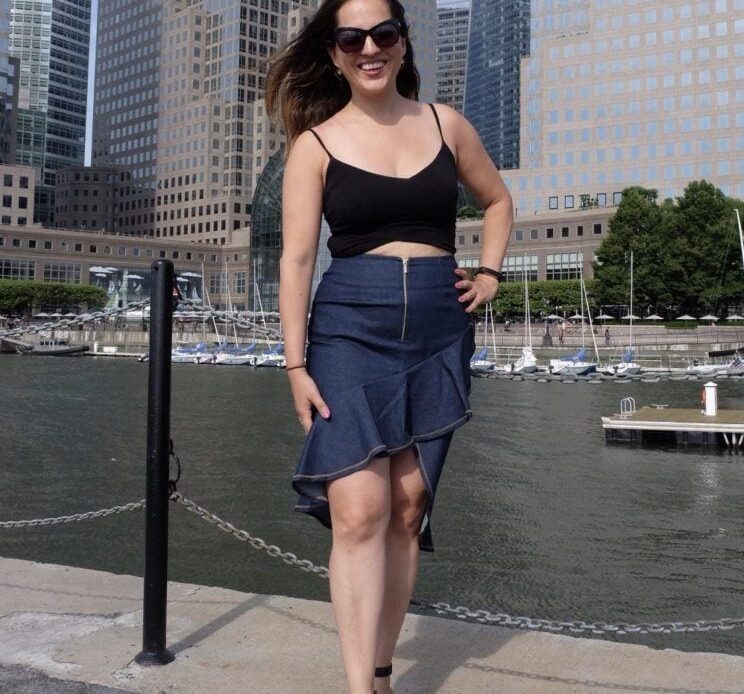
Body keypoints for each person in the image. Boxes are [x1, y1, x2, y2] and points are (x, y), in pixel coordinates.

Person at [267, 1, 512, 692]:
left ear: (402, 44)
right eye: (352, 38)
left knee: (406, 507)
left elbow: (497, 200)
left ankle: (380, 670)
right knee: (359, 508)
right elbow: (295, 260)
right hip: (350, 327)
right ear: (335, 53)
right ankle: (358, 689)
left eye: (383, 33)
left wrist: (489, 273)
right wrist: (294, 364)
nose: (369, 47)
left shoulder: (446, 124)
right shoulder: (313, 146)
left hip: (439, 323)